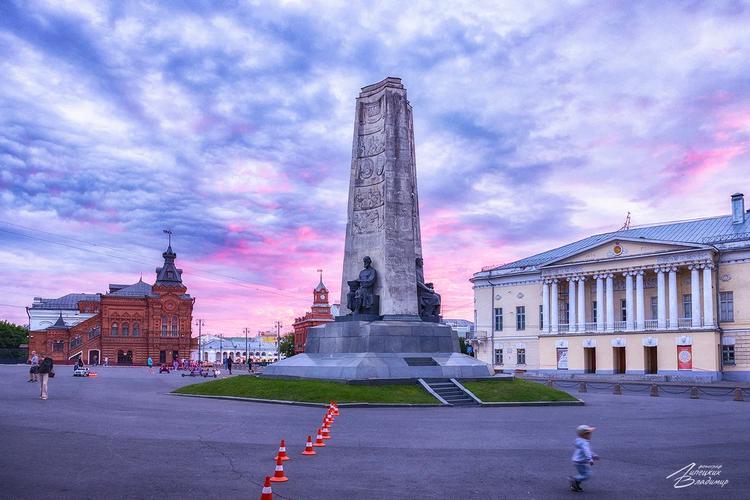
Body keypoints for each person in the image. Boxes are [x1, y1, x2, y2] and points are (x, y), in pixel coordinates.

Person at [570, 425, 599, 492]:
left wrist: (593, 455)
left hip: (577, 461)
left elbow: (585, 451)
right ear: (584, 435)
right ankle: (574, 480)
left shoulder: (580, 440)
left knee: (583, 474)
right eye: (589, 434)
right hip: (580, 462)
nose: (590, 435)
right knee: (587, 474)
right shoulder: (584, 443)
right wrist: (590, 459)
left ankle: (575, 484)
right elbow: (586, 451)